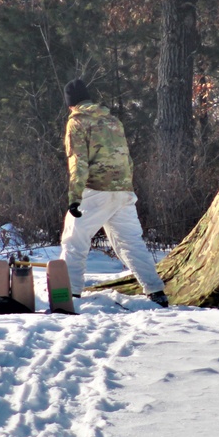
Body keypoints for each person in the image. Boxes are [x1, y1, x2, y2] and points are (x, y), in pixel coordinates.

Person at [59, 78, 168, 307]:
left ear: (71, 104)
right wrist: (124, 186)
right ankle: (156, 291)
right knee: (130, 243)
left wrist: (74, 198)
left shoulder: (76, 122)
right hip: (123, 192)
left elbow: (77, 162)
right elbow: (127, 158)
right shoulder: (113, 120)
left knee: (74, 240)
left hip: (96, 190)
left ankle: (67, 295)